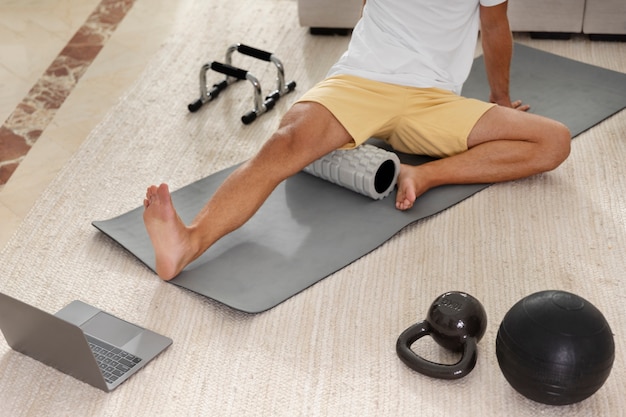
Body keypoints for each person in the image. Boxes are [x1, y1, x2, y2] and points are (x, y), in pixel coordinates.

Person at [143, 0, 571, 280]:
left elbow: (495, 27)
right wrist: (360, 65)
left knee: (553, 142)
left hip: (433, 99)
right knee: (285, 143)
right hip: (362, 82)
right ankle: (187, 243)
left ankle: (425, 176)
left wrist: (499, 100)